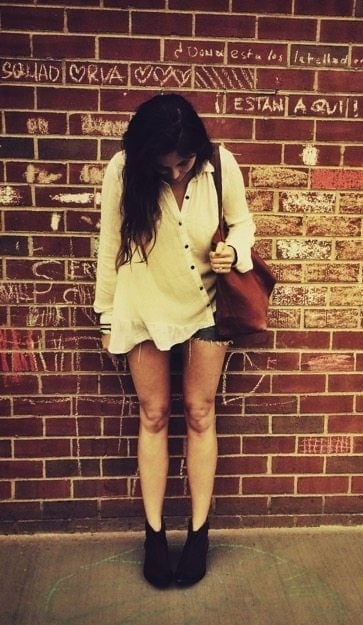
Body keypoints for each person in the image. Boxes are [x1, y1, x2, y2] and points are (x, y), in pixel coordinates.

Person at [93, 93, 255, 588]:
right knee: (154, 415)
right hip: (144, 305)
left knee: (201, 413)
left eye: (183, 163)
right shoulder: (123, 170)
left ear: (196, 149)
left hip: (207, 305)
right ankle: (155, 535)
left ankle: (200, 532)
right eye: (163, 168)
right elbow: (110, 242)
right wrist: (106, 315)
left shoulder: (221, 163)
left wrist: (235, 249)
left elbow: (244, 222)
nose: (176, 173)